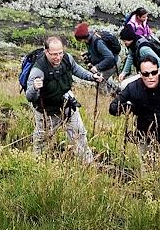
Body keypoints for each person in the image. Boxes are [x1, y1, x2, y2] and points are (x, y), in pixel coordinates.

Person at [19, 33, 102, 161]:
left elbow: (77, 70)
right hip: (47, 111)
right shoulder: (38, 70)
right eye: (54, 54)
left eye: (60, 53)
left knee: (79, 135)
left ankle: (87, 164)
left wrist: (92, 77)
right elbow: (29, 97)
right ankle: (38, 166)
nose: (58, 57)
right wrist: (35, 87)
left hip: (67, 103)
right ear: (47, 52)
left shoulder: (67, 58)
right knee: (42, 143)